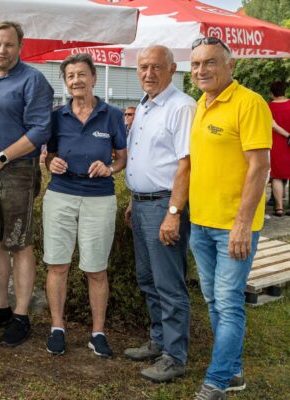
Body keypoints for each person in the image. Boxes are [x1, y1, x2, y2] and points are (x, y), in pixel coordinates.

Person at [189, 37, 272, 400]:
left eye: (209, 63)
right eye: (195, 65)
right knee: (213, 300)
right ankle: (234, 371)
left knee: (228, 301)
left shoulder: (250, 103)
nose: (201, 70)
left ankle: (218, 380)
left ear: (229, 66)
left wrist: (241, 223)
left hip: (232, 228)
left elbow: (260, 166)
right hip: (201, 223)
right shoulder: (200, 104)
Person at [0, 21, 53, 347]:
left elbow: (41, 129)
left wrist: (2, 157)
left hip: (16, 170)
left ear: (20, 47)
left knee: (20, 243)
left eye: (9, 45)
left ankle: (21, 315)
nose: (2, 50)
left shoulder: (34, 80)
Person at [43, 54, 126, 357]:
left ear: (93, 78)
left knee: (96, 269)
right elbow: (48, 155)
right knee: (58, 265)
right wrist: (52, 162)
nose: (76, 80)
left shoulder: (112, 115)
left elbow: (121, 157)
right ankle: (57, 327)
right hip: (61, 194)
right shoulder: (56, 116)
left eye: (81, 74)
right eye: (70, 76)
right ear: (65, 82)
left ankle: (98, 332)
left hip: (99, 198)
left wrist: (111, 169)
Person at [124, 45, 196, 382]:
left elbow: (186, 165)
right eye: (142, 67)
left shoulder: (181, 107)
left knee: (169, 285)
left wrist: (173, 213)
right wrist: (132, 200)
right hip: (142, 204)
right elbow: (144, 156)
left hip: (164, 205)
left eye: (155, 67)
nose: (148, 74)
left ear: (171, 69)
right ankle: (158, 341)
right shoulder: (145, 104)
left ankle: (175, 356)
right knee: (148, 280)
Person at [268, 81, 290, 217]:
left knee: (276, 175)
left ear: (272, 93)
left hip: (276, 143)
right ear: (285, 91)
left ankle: (279, 208)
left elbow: (272, 125)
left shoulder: (268, 107)